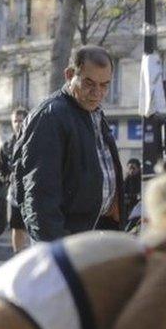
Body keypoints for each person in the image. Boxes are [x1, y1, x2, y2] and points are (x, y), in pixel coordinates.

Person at [16, 45, 124, 241]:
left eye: (104, 85)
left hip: (90, 234)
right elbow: (39, 190)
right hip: (63, 240)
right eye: (89, 83)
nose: (97, 93)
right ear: (69, 75)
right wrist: (55, 245)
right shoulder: (51, 116)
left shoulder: (93, 113)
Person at [0, 108, 29, 253]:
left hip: (33, 193)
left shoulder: (36, 140)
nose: (18, 124)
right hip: (14, 194)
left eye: (21, 120)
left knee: (34, 228)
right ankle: (18, 257)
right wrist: (8, 179)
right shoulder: (7, 145)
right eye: (15, 121)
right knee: (17, 227)